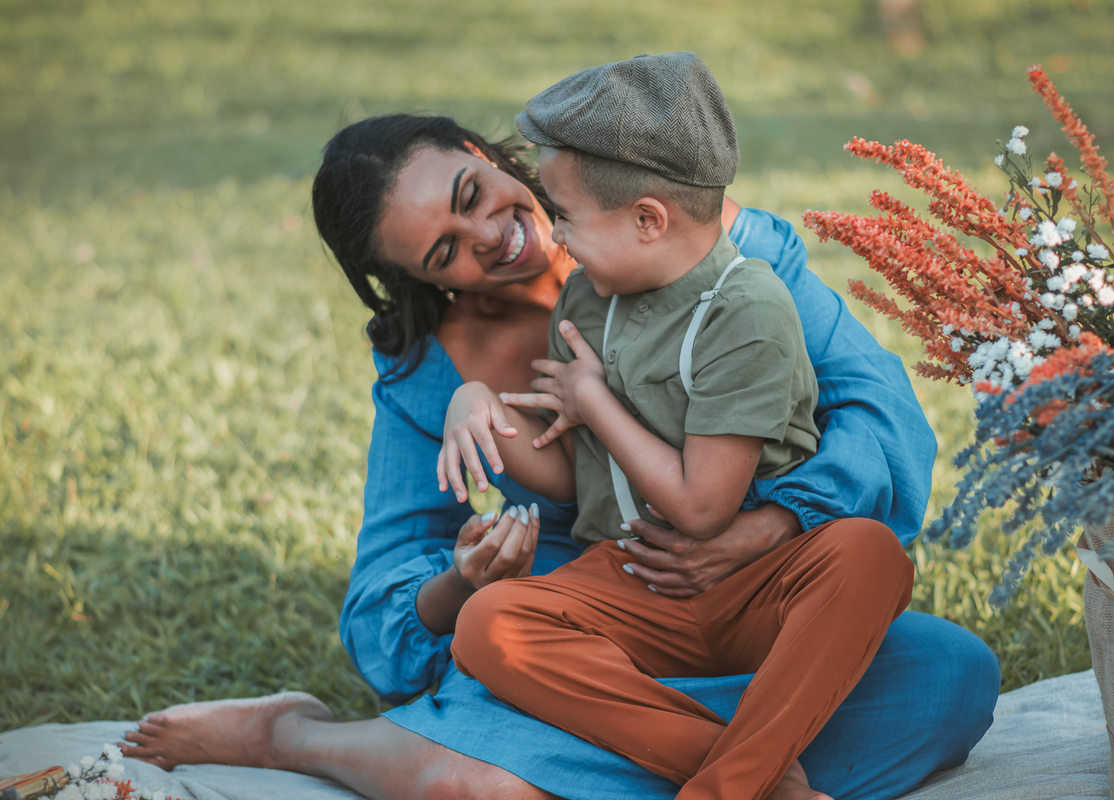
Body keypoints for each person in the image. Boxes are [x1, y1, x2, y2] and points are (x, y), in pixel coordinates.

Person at [117, 97, 1000, 798]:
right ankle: (303, 738)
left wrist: (768, 527)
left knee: (947, 678)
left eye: (471, 194)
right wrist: (463, 578)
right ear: (420, 279)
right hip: (595, 653)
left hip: (770, 608)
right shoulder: (432, 375)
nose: (490, 238)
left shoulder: (708, 246)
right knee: (481, 770)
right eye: (445, 253)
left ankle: (585, 765)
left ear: (481, 149)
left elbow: (881, 415)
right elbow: (381, 609)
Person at [447, 54, 912, 800]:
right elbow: (567, 471)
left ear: (648, 220)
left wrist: (594, 399)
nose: (557, 237)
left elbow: (702, 508)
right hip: (631, 577)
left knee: (867, 555)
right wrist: (475, 406)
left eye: (566, 215)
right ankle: (763, 780)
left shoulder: (747, 310)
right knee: (488, 624)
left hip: (757, 581)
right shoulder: (587, 301)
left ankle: (721, 789)